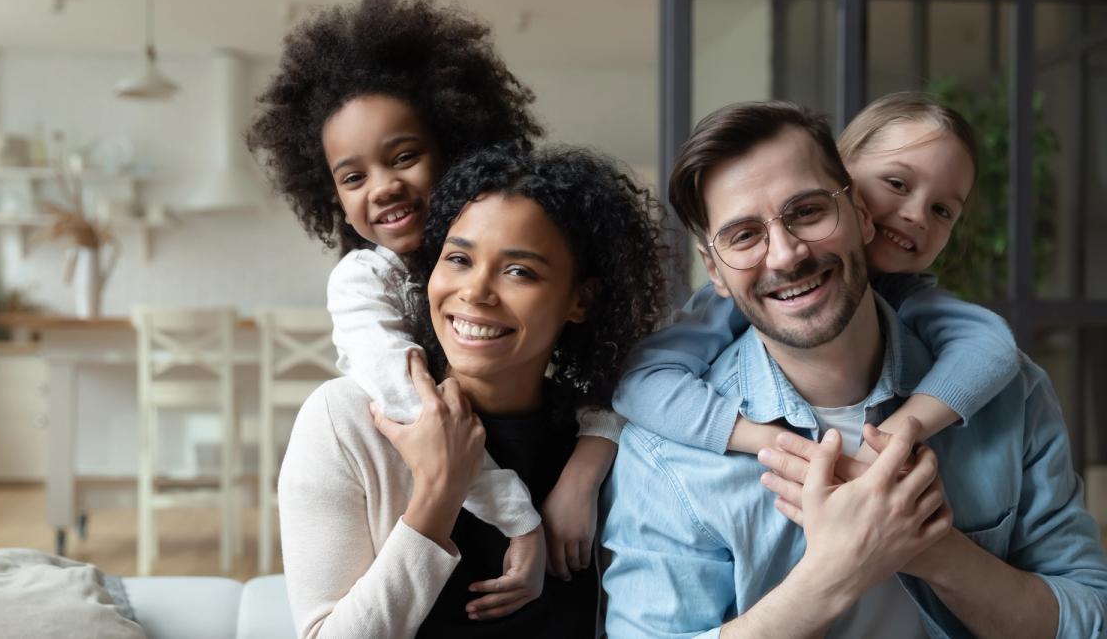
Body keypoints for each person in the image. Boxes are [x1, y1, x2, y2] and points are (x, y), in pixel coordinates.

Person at [602, 100, 1107, 638]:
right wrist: (833, 575)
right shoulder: (666, 455)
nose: (785, 255)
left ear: (861, 215)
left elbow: (1089, 618)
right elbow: (638, 381)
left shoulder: (1010, 393)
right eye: (744, 235)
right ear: (716, 272)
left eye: (808, 211)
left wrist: (933, 549)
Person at [246, 0, 624, 596]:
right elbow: (423, 415)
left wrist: (587, 463)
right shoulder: (365, 283)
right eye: (353, 176)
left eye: (403, 156)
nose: (383, 187)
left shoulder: (545, 284)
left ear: (456, 148)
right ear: (333, 200)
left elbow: (625, 366)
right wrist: (520, 521)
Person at [278, 145, 666, 638]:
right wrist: (436, 500)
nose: (476, 291)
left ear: (580, 299)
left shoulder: (607, 442)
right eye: (458, 258)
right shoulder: (346, 421)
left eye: (519, 271)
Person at [614, 92, 1017, 465]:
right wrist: (767, 441)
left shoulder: (909, 295)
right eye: (897, 184)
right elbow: (640, 379)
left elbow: (992, 348)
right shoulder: (740, 291)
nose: (916, 215)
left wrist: (897, 433)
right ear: (845, 184)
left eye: (943, 210)